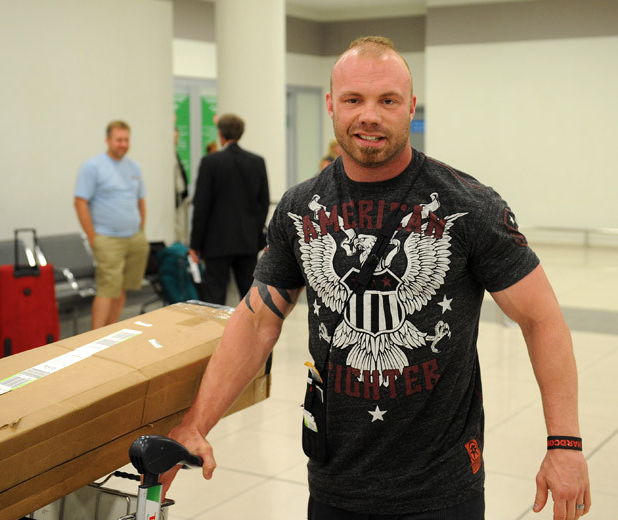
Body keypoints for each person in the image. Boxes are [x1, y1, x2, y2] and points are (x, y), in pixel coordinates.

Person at [165, 36, 590, 519]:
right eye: (354, 100)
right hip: (334, 482)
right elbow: (257, 321)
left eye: (387, 100)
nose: (369, 115)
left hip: (442, 488)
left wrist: (565, 444)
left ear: (411, 106)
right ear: (331, 105)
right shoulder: (300, 208)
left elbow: (541, 319)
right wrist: (196, 424)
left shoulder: (467, 205)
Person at [74, 120, 149, 329]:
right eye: (119, 140)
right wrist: (93, 237)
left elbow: (140, 200)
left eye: (126, 140)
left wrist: (141, 230)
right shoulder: (93, 167)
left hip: (134, 238)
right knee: (108, 289)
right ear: (108, 140)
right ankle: (96, 337)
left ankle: (110, 332)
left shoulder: (134, 167)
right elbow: (80, 202)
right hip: (107, 238)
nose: (123, 144)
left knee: (122, 288)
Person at [189, 113, 270, 305]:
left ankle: (216, 326)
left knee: (215, 298)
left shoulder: (210, 162)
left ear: (220, 134)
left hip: (216, 242)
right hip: (247, 241)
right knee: (249, 297)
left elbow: (201, 205)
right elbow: (264, 202)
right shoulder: (257, 161)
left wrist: (195, 244)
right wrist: (255, 231)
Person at [174, 127, 190, 243]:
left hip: (180, 201)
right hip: (175, 202)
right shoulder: (169, 157)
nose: (176, 140)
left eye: (177, 137)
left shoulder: (175, 155)